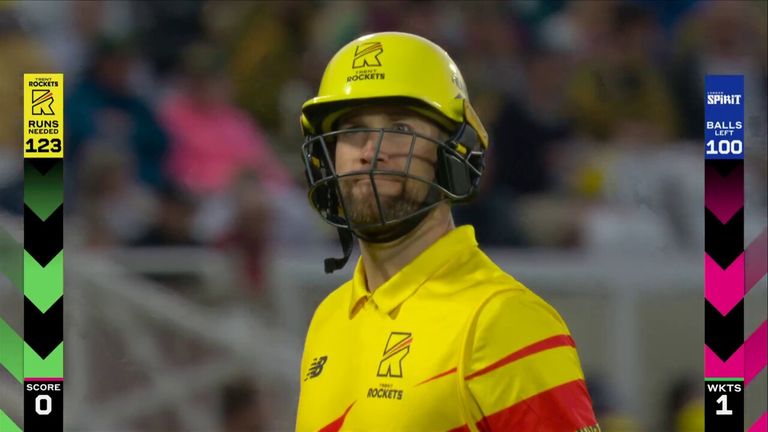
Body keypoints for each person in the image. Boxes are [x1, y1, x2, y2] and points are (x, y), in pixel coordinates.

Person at [296, 32, 599, 431]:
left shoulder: (503, 320)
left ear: (451, 154)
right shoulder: (328, 319)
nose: (372, 150)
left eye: (401, 129)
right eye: (353, 131)